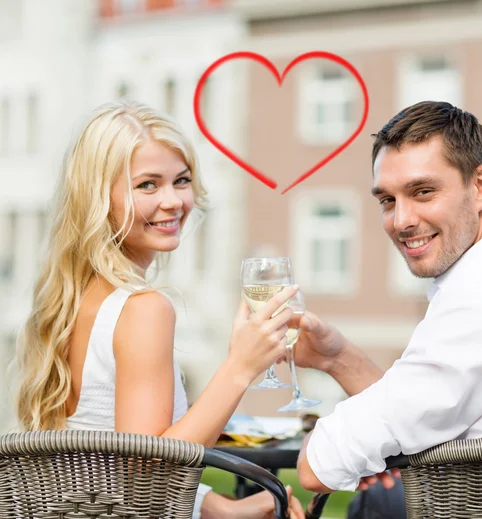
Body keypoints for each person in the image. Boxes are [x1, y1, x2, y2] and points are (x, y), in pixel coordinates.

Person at [293, 101, 482, 517]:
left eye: (423, 192)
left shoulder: (481, 299)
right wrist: (338, 357)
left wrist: (341, 445)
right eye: (387, 200)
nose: (401, 220)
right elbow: (430, 407)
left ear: (480, 187)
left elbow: (316, 468)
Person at [13, 100, 305, 519]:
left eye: (181, 180)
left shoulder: (74, 300)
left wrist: (220, 507)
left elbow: (106, 467)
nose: (172, 201)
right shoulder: (144, 309)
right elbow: (148, 473)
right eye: (147, 185)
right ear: (99, 198)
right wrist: (240, 366)